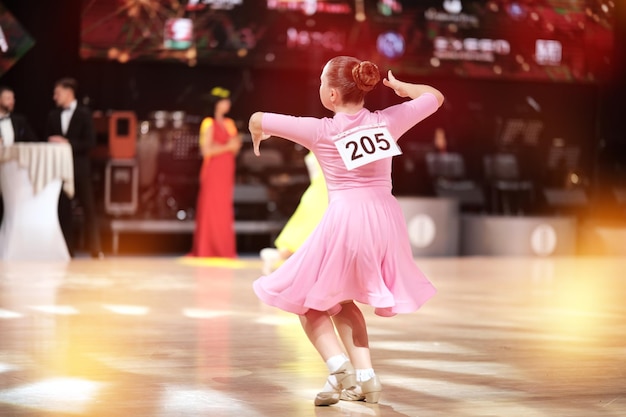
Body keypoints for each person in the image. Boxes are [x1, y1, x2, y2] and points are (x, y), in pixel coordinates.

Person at [248, 56, 444, 406]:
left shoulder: (321, 131)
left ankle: (339, 368)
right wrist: (402, 89)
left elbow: (258, 119)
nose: (319, 87)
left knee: (307, 301)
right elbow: (434, 97)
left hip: (347, 218)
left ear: (333, 95)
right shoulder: (386, 121)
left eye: (322, 82)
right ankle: (366, 379)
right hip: (386, 220)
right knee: (340, 300)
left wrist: (257, 137)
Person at [45, 77, 103, 259]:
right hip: (60, 170)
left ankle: (95, 248)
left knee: (88, 208)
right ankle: (66, 250)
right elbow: (46, 138)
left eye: (58, 93)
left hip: (80, 169)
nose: (55, 97)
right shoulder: (53, 115)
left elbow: (90, 142)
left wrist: (68, 143)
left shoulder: (84, 114)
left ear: (69, 92)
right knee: (63, 210)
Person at [189, 87, 242, 258]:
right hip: (213, 171)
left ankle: (222, 248)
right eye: (225, 101)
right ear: (217, 104)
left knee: (224, 209)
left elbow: (236, 144)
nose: (228, 104)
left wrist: (226, 147)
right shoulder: (208, 123)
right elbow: (206, 150)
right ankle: (208, 248)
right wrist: (227, 146)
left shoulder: (229, 124)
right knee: (211, 208)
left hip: (226, 170)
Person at [259, 151, 327, 274]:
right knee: (308, 233)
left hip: (316, 195)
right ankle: (276, 256)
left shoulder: (314, 152)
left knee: (305, 231)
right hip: (322, 197)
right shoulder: (323, 152)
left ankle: (276, 256)